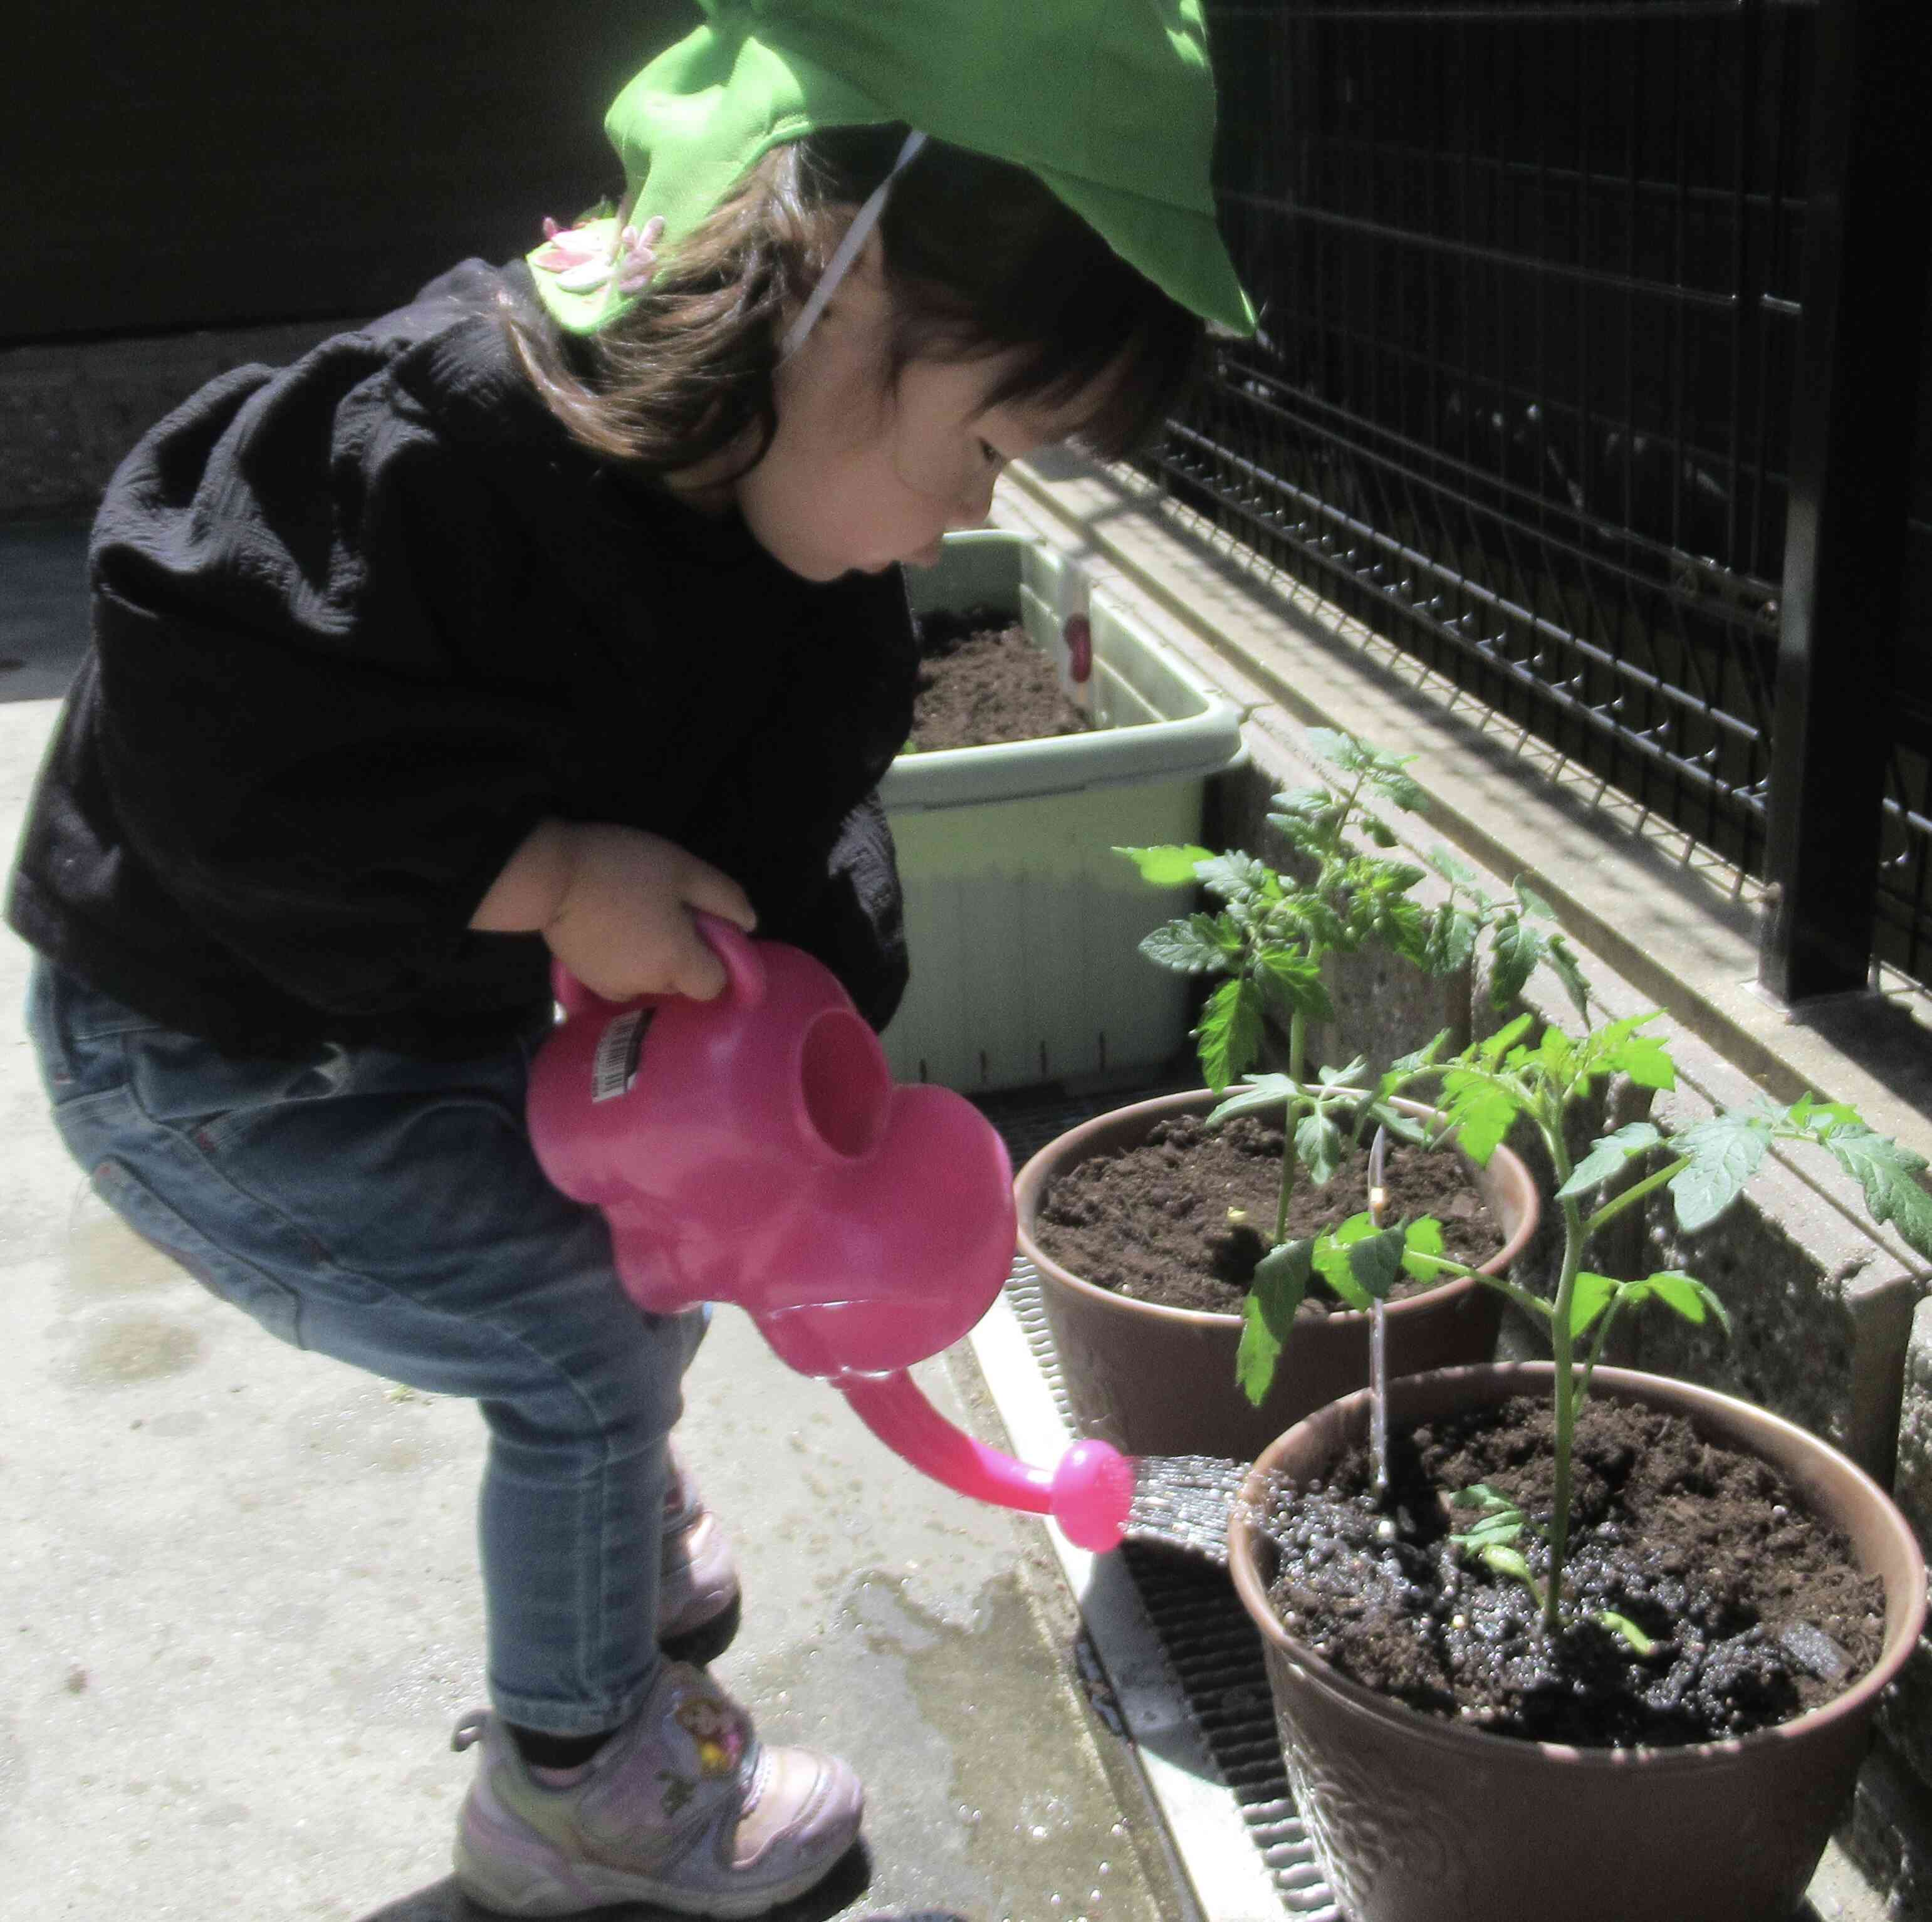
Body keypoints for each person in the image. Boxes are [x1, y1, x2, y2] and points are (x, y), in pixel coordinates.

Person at [7, 0, 1255, 1914]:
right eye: (990, 437)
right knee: (587, 1334)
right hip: (213, 1057)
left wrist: (821, 1106)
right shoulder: (445, 434)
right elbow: (208, 719)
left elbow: (794, 835)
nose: (977, 511)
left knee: (644, 1249)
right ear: (841, 292)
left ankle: (606, 1506)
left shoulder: (801, 562)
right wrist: (542, 867)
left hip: (413, 1028)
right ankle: (575, 1791)